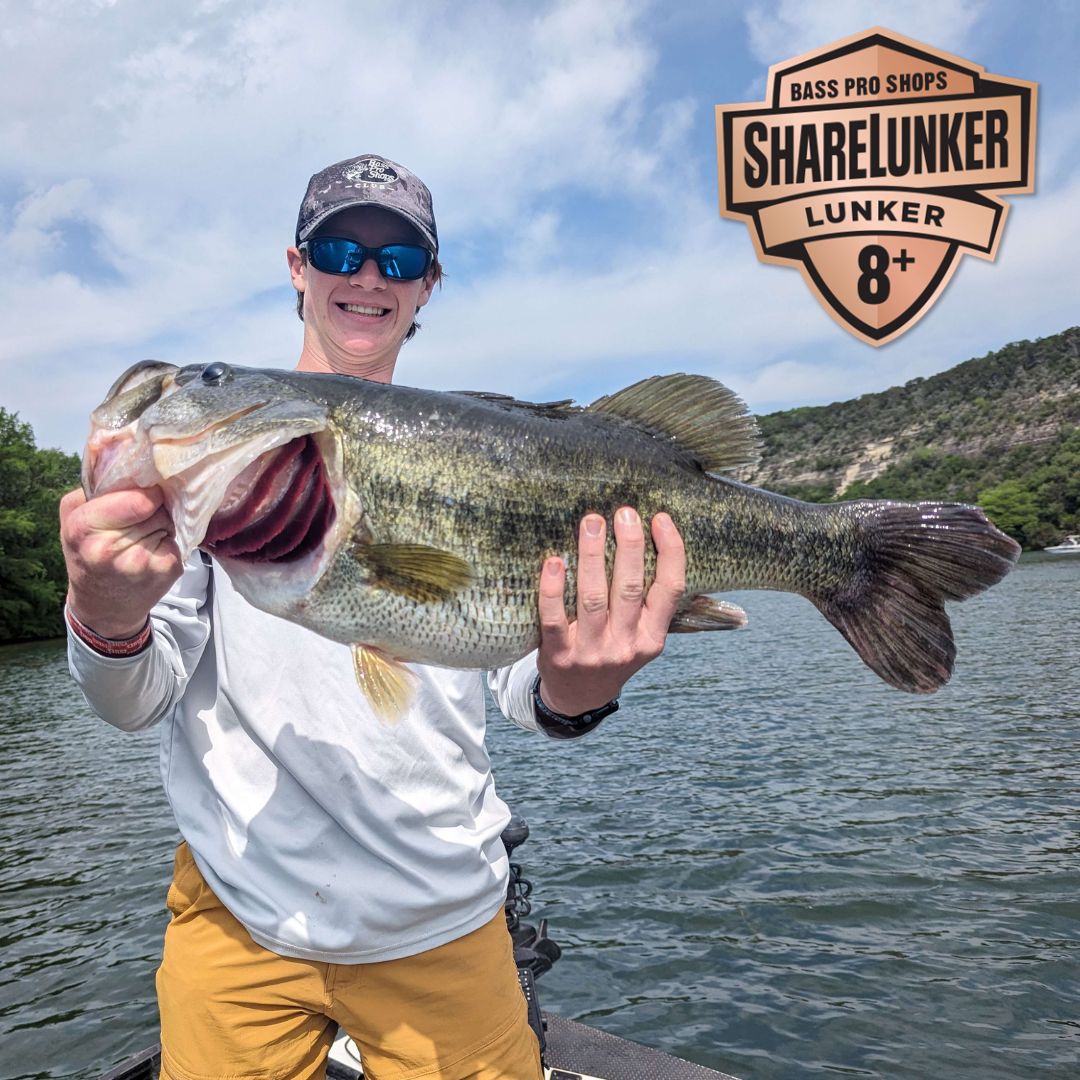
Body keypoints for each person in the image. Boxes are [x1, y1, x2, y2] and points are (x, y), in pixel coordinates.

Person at [60, 154, 687, 1080]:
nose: (365, 276)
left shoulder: (480, 448)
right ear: (296, 266)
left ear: (428, 286)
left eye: (397, 260)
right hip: (237, 910)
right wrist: (104, 609)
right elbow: (134, 699)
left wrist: (578, 691)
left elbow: (528, 687)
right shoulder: (218, 471)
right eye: (340, 249)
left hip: (440, 914)